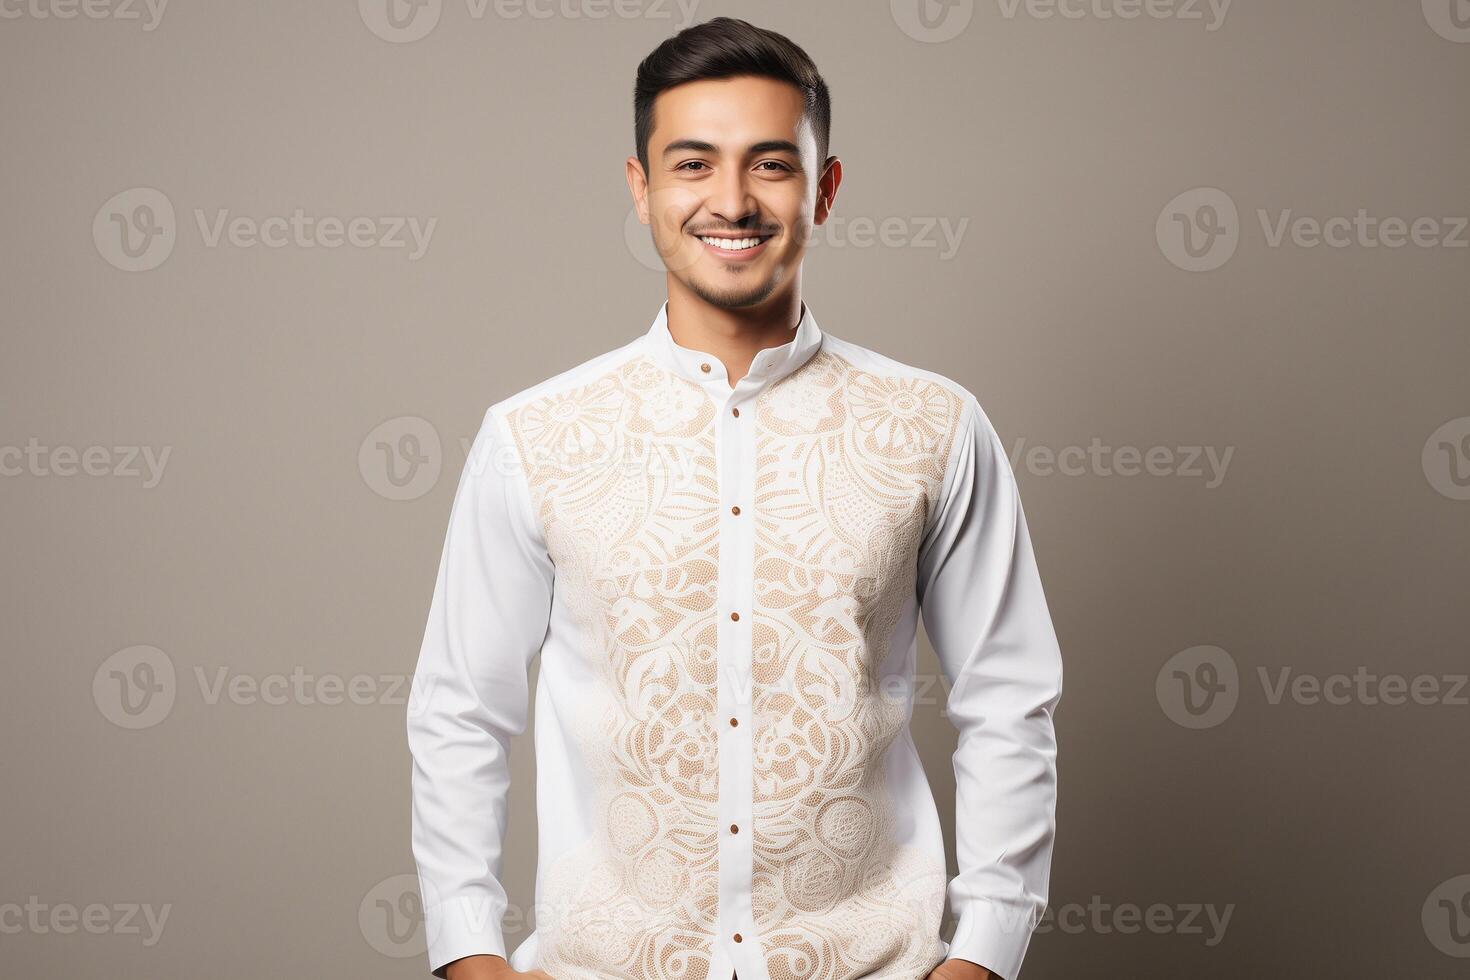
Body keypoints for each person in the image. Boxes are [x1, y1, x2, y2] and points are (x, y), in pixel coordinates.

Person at [406, 16, 1062, 980]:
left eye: (770, 164)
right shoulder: (535, 437)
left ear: (825, 188)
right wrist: (468, 956)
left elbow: (1010, 700)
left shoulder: (934, 426)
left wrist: (985, 958)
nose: (731, 200)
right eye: (691, 164)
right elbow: (460, 709)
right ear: (640, 188)